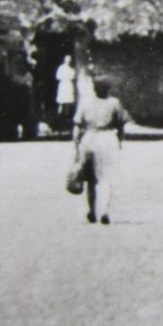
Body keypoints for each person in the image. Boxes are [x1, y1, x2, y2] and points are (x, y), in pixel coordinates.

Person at [72, 76, 128, 225]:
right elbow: (121, 125)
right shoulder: (114, 103)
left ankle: (91, 211)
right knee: (106, 177)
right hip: (108, 139)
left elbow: (77, 126)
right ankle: (104, 211)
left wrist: (77, 146)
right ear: (108, 88)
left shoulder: (85, 101)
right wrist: (119, 140)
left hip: (89, 138)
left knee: (90, 179)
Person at [54, 55, 77, 135]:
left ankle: (67, 123)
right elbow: (58, 77)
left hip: (68, 86)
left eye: (69, 60)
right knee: (61, 104)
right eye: (67, 59)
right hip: (63, 86)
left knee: (68, 104)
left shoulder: (71, 69)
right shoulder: (61, 68)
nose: (68, 61)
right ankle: (60, 121)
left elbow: (73, 76)